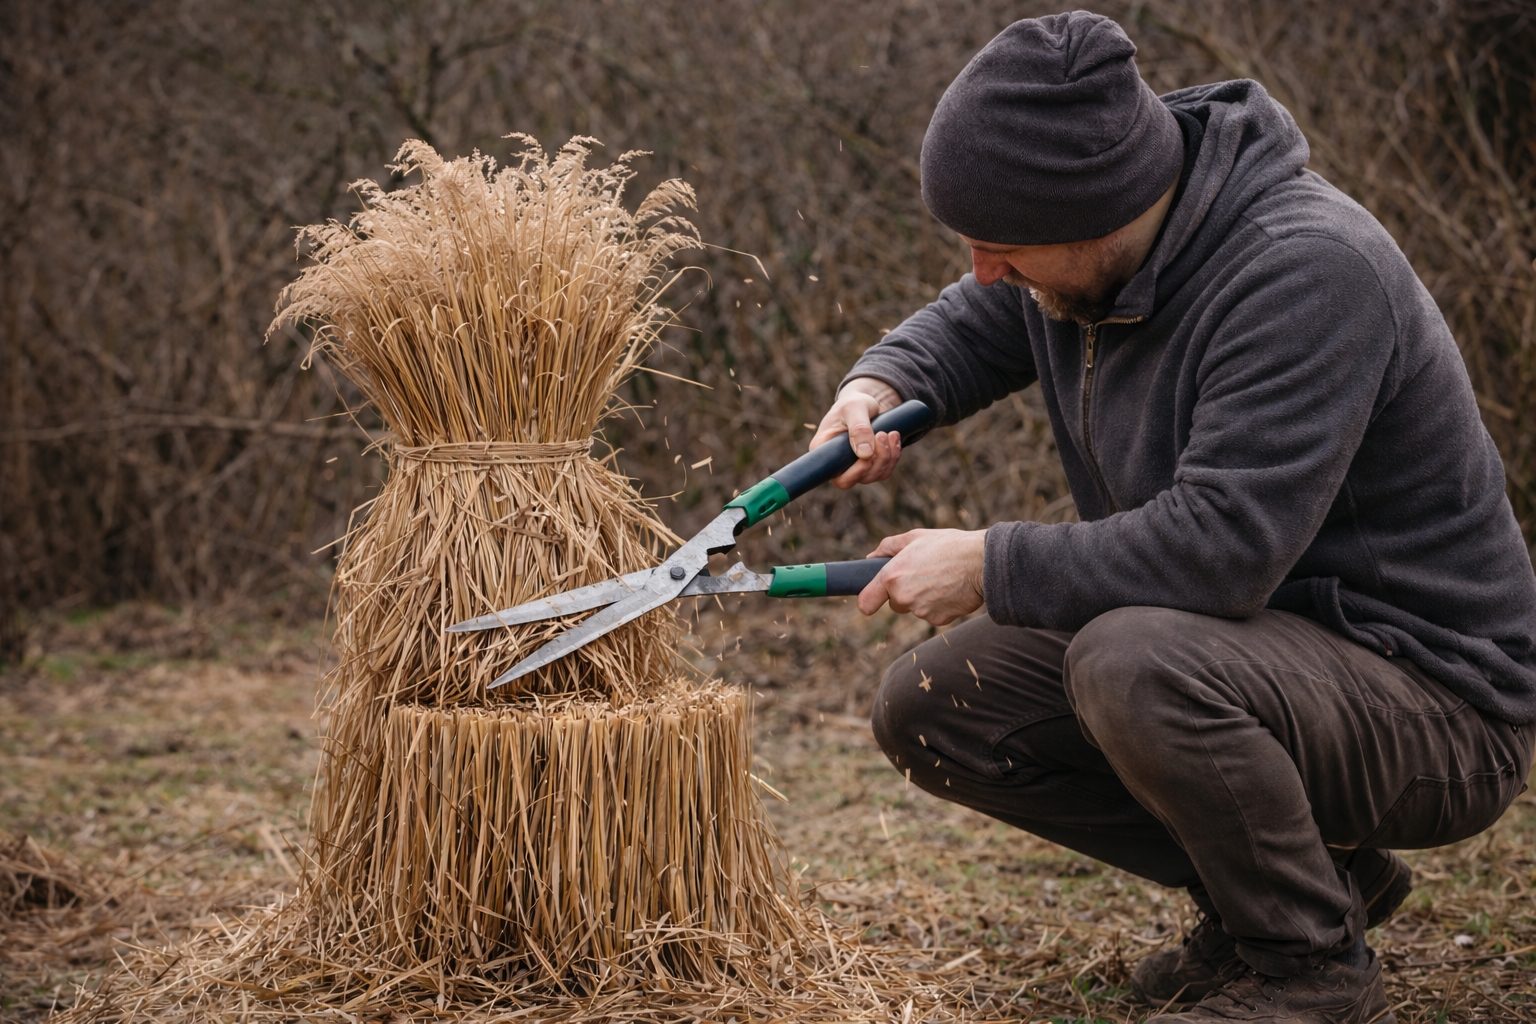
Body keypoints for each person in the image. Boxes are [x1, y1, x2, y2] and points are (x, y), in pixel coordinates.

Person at [809, 11, 1536, 1024]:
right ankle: (1307, 887)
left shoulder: (1307, 272)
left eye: (1003, 247)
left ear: (1100, 212)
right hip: (1257, 657)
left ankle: (1308, 966)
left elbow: (1218, 551)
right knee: (936, 704)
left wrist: (986, 562)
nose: (984, 269)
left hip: (1437, 700)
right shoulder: (1097, 249)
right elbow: (979, 316)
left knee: (1132, 659)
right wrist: (881, 383)